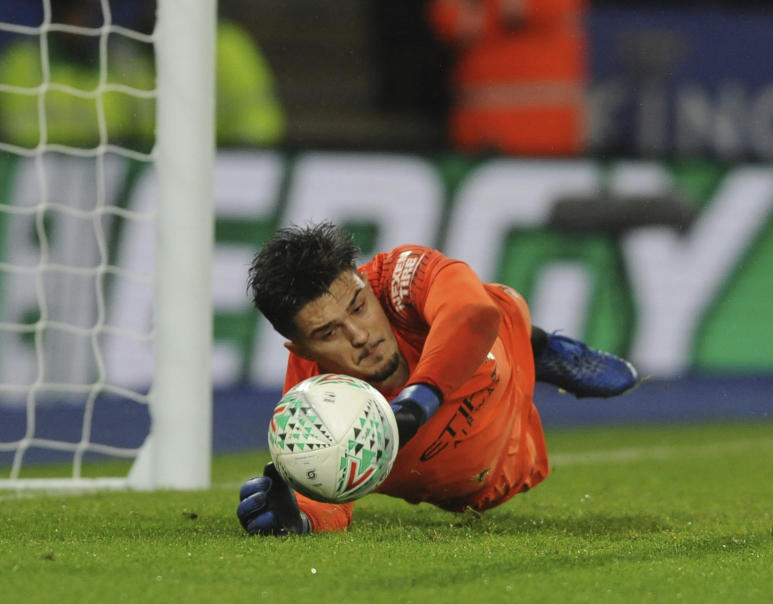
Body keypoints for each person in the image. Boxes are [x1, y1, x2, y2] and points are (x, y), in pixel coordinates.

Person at [236, 222, 638, 535]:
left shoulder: (396, 278)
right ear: (303, 351)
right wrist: (299, 517)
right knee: (496, 478)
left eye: (359, 307)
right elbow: (328, 492)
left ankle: (537, 347)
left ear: (366, 285)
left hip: (494, 351)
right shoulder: (313, 402)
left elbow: (472, 314)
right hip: (485, 478)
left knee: (487, 306)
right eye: (328, 333)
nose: (360, 336)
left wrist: (414, 405)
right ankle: (530, 351)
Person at [0, 0, 285, 149]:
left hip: (230, 165)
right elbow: (122, 121)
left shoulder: (225, 46)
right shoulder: (124, 53)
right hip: (90, 170)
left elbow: (261, 123)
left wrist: (231, 155)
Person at [426, 0, 588, 156]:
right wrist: (495, 17)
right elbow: (451, 21)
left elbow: (520, 8)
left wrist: (483, 15)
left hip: (546, 127)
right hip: (479, 127)